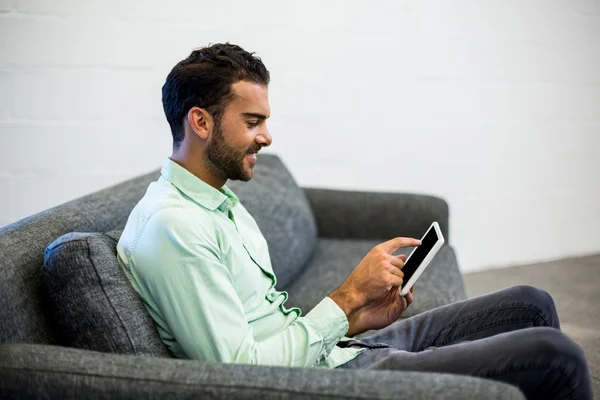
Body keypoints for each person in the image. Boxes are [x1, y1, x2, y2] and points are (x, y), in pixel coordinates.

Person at [116, 43, 592, 399]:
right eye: (253, 121)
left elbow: (265, 328)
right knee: (558, 357)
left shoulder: (217, 200)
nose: (267, 136)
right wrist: (344, 298)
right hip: (329, 383)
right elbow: (241, 373)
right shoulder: (173, 228)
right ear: (201, 122)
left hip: (338, 354)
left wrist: (357, 318)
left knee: (530, 303)